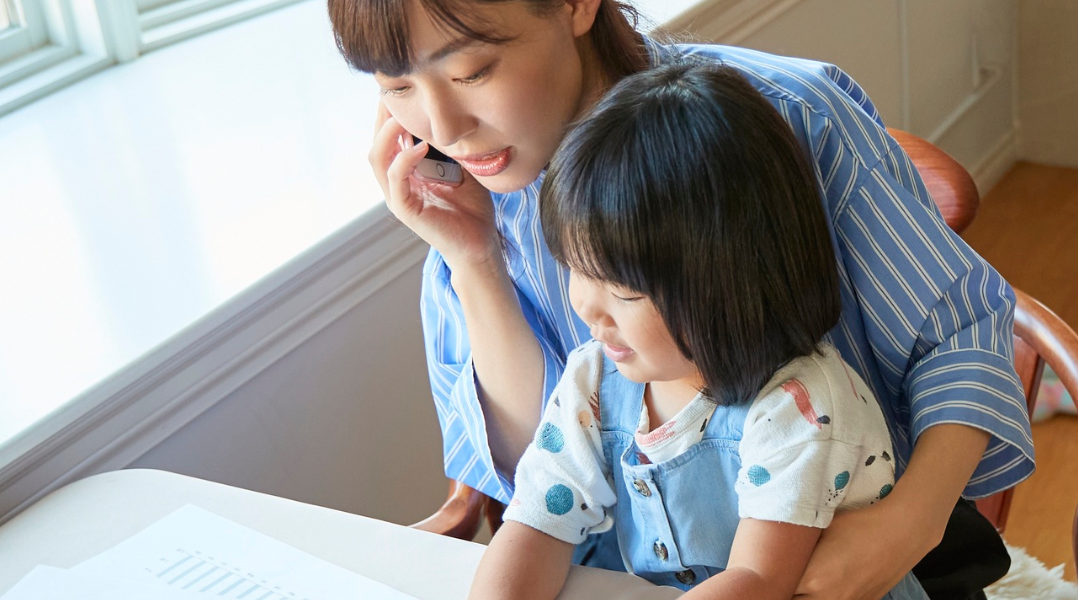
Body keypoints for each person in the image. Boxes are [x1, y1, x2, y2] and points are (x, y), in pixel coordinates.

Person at [326, 0, 1028, 596]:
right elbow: (539, 471)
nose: (442, 128)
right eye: (395, 87)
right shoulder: (467, 202)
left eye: (471, 71)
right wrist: (473, 261)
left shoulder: (785, 117)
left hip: (856, 553)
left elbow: (961, 331)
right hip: (638, 574)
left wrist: (909, 523)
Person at [469, 58, 919, 600]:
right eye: (576, 272)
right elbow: (535, 522)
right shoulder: (594, 382)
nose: (588, 308)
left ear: (731, 279)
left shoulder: (799, 404)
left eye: (624, 291)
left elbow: (757, 581)